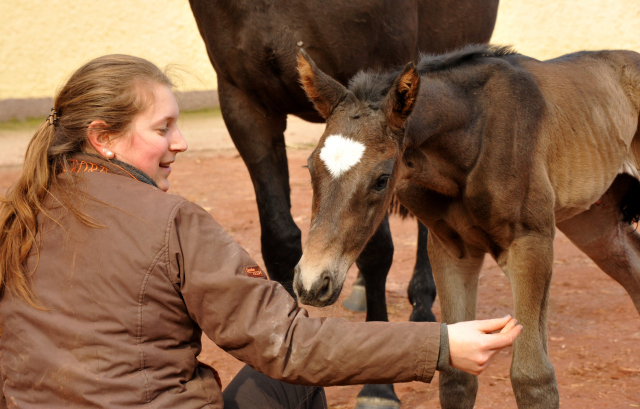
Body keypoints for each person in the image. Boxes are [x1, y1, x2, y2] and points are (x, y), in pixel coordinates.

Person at [0, 54, 522, 409]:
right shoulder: (173, 223)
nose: (180, 142)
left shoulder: (16, 212)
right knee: (286, 381)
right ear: (102, 138)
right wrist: (438, 343)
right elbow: (288, 344)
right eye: (163, 128)